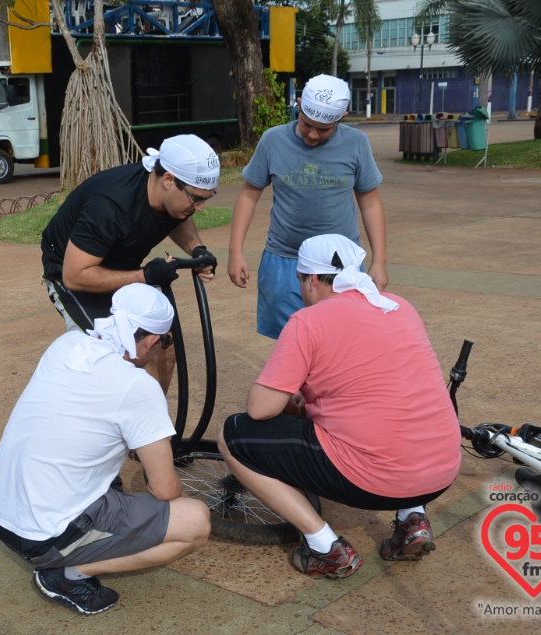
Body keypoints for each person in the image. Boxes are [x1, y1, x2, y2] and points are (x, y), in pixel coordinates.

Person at [217, 234, 461, 579]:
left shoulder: (309, 320)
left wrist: (294, 400)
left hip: (371, 482)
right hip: (441, 473)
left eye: (301, 280)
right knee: (402, 413)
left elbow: (260, 409)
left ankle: (325, 547)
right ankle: (413, 519)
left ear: (312, 279)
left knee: (234, 433)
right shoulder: (399, 306)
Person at [0, 283, 211, 615]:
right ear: (150, 341)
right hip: (42, 537)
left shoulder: (67, 343)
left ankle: (72, 553)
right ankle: (68, 574)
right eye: (165, 342)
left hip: (2, 514)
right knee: (195, 521)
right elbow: (164, 490)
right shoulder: (139, 387)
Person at [41, 133, 220, 391]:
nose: (200, 207)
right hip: (73, 273)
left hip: (120, 267)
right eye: (197, 198)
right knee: (110, 355)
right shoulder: (111, 205)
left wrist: (197, 250)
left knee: (161, 345)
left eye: (206, 198)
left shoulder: (171, 197)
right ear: (169, 180)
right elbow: (75, 275)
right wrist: (144, 276)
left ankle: (148, 425)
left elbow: (179, 214)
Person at [227, 74, 389, 340]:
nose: (312, 135)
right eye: (306, 124)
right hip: (284, 260)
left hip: (339, 266)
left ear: (342, 116)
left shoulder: (356, 143)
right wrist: (235, 252)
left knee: (340, 341)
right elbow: (248, 194)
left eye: (324, 129)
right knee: (290, 340)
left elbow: (370, 203)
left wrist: (379, 262)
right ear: (299, 105)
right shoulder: (273, 140)